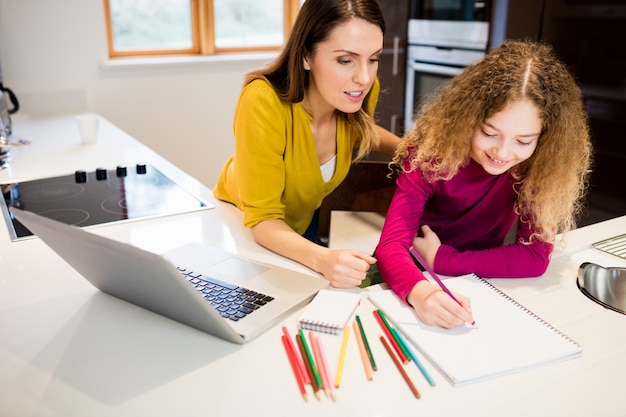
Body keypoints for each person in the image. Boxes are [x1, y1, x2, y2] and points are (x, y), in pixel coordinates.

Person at [374, 39, 592, 329]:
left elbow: (535, 257)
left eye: (523, 141)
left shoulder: (539, 167)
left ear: (544, 138)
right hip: (411, 274)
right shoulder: (429, 155)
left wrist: (446, 260)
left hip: (482, 280)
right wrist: (421, 292)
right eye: (489, 133)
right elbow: (391, 246)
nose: (502, 153)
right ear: (469, 118)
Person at [213, 0, 402, 288]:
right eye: (345, 60)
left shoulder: (355, 93)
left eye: (373, 59)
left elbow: (360, 129)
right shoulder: (263, 102)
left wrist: (411, 151)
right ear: (305, 56)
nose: (364, 77)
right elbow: (263, 221)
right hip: (244, 227)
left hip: (300, 222)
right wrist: (323, 259)